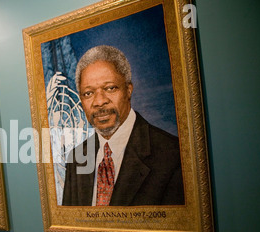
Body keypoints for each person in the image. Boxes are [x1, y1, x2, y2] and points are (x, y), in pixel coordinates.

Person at [62, 45, 184, 206]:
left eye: (110, 88)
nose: (99, 101)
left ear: (128, 90)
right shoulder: (76, 158)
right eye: (88, 93)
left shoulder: (173, 155)